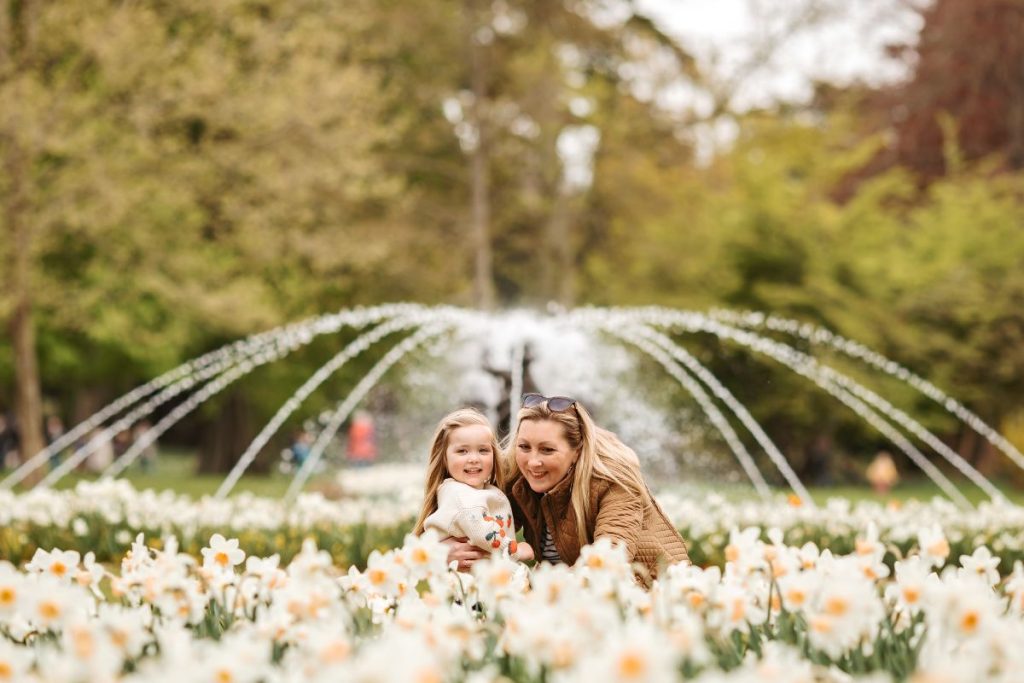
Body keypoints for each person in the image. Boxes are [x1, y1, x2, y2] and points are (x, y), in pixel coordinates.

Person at [446, 393, 689, 583]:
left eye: (547, 450)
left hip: (649, 596)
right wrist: (444, 550)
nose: (533, 461)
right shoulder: (519, 477)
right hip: (569, 600)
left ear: (576, 451)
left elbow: (609, 558)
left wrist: (538, 593)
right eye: (524, 447)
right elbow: (473, 519)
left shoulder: (615, 482)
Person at [414, 408, 534, 561]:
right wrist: (517, 551)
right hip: (471, 581)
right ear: (444, 458)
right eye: (462, 451)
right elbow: (482, 533)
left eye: (483, 450)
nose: (474, 459)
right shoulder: (459, 494)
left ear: (494, 455)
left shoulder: (483, 490)